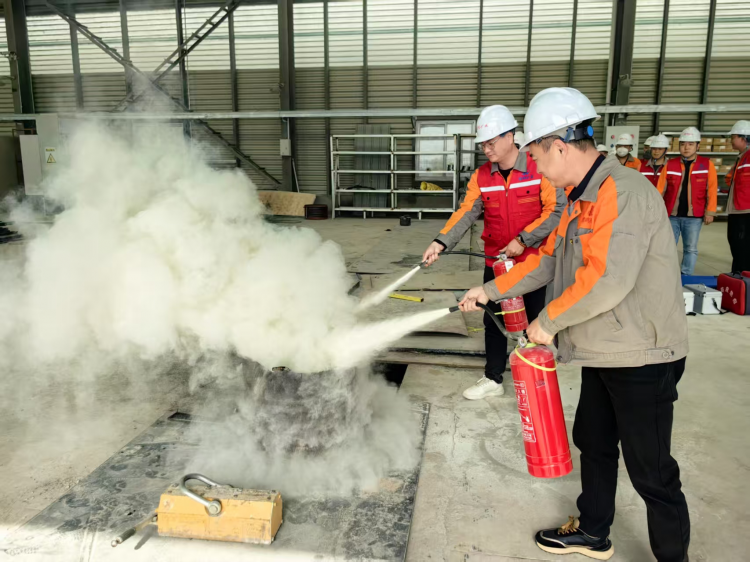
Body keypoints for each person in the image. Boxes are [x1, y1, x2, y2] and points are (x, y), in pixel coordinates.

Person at [459, 87, 690, 562]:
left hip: (642, 354)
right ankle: (593, 530)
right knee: (594, 441)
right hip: (602, 349)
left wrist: (546, 322)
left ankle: (673, 556)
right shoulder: (577, 199)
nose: (536, 167)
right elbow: (546, 261)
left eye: (537, 155)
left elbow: (607, 279)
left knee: (651, 470)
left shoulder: (623, 192)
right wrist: (491, 290)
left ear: (560, 147)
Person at [422, 105, 564, 400]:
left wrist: (524, 239)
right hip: (497, 261)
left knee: (534, 320)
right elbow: (466, 212)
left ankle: (535, 379)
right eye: (483, 145)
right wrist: (440, 242)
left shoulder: (538, 168)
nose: (486, 150)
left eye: (491, 143)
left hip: (533, 262)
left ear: (510, 136)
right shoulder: (482, 176)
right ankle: (493, 378)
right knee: (494, 319)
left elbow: (557, 210)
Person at [656, 127, 718, 275]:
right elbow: (659, 190)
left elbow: (712, 190)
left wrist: (710, 212)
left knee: (690, 248)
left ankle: (686, 275)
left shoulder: (706, 165)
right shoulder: (670, 164)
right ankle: (666, 275)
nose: (686, 147)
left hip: (694, 217)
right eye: (683, 144)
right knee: (667, 248)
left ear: (698, 146)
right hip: (671, 215)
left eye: (690, 144)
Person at [726, 120, 750, 272]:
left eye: (733, 137)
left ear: (743, 138)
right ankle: (737, 274)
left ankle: (743, 275)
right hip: (737, 209)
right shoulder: (742, 157)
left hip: (745, 211)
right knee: (736, 243)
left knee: (743, 245)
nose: (731, 140)